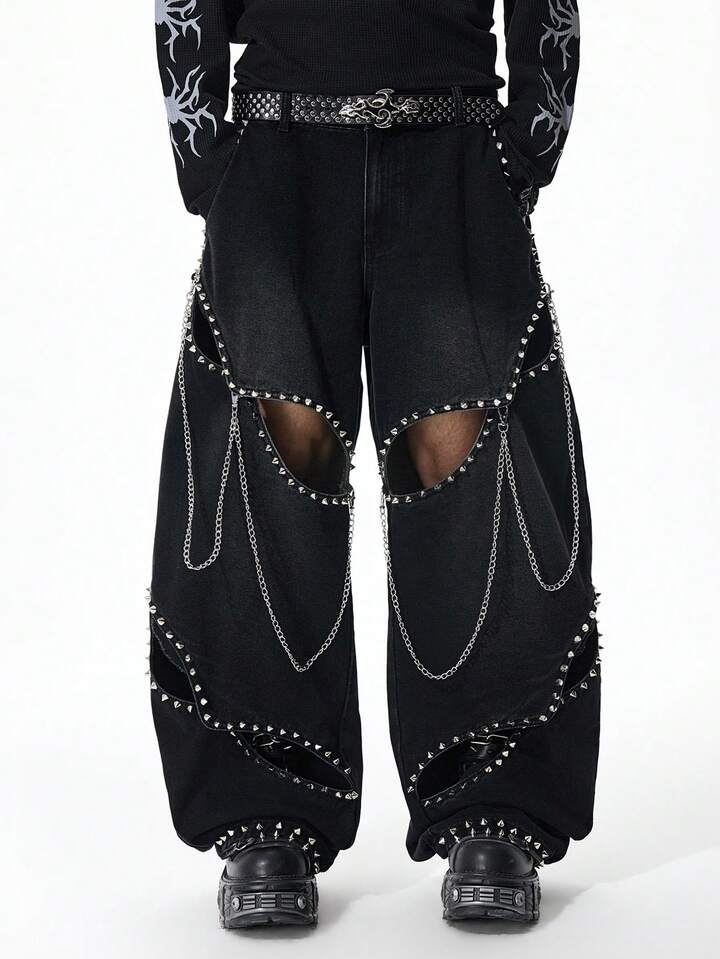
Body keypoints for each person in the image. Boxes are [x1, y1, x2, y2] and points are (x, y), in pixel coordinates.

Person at [149, 0, 598, 928]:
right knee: (276, 457)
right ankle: (264, 812)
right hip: (275, 143)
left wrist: (529, 142)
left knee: (463, 455)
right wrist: (203, 149)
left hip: (455, 139)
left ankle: (494, 802)